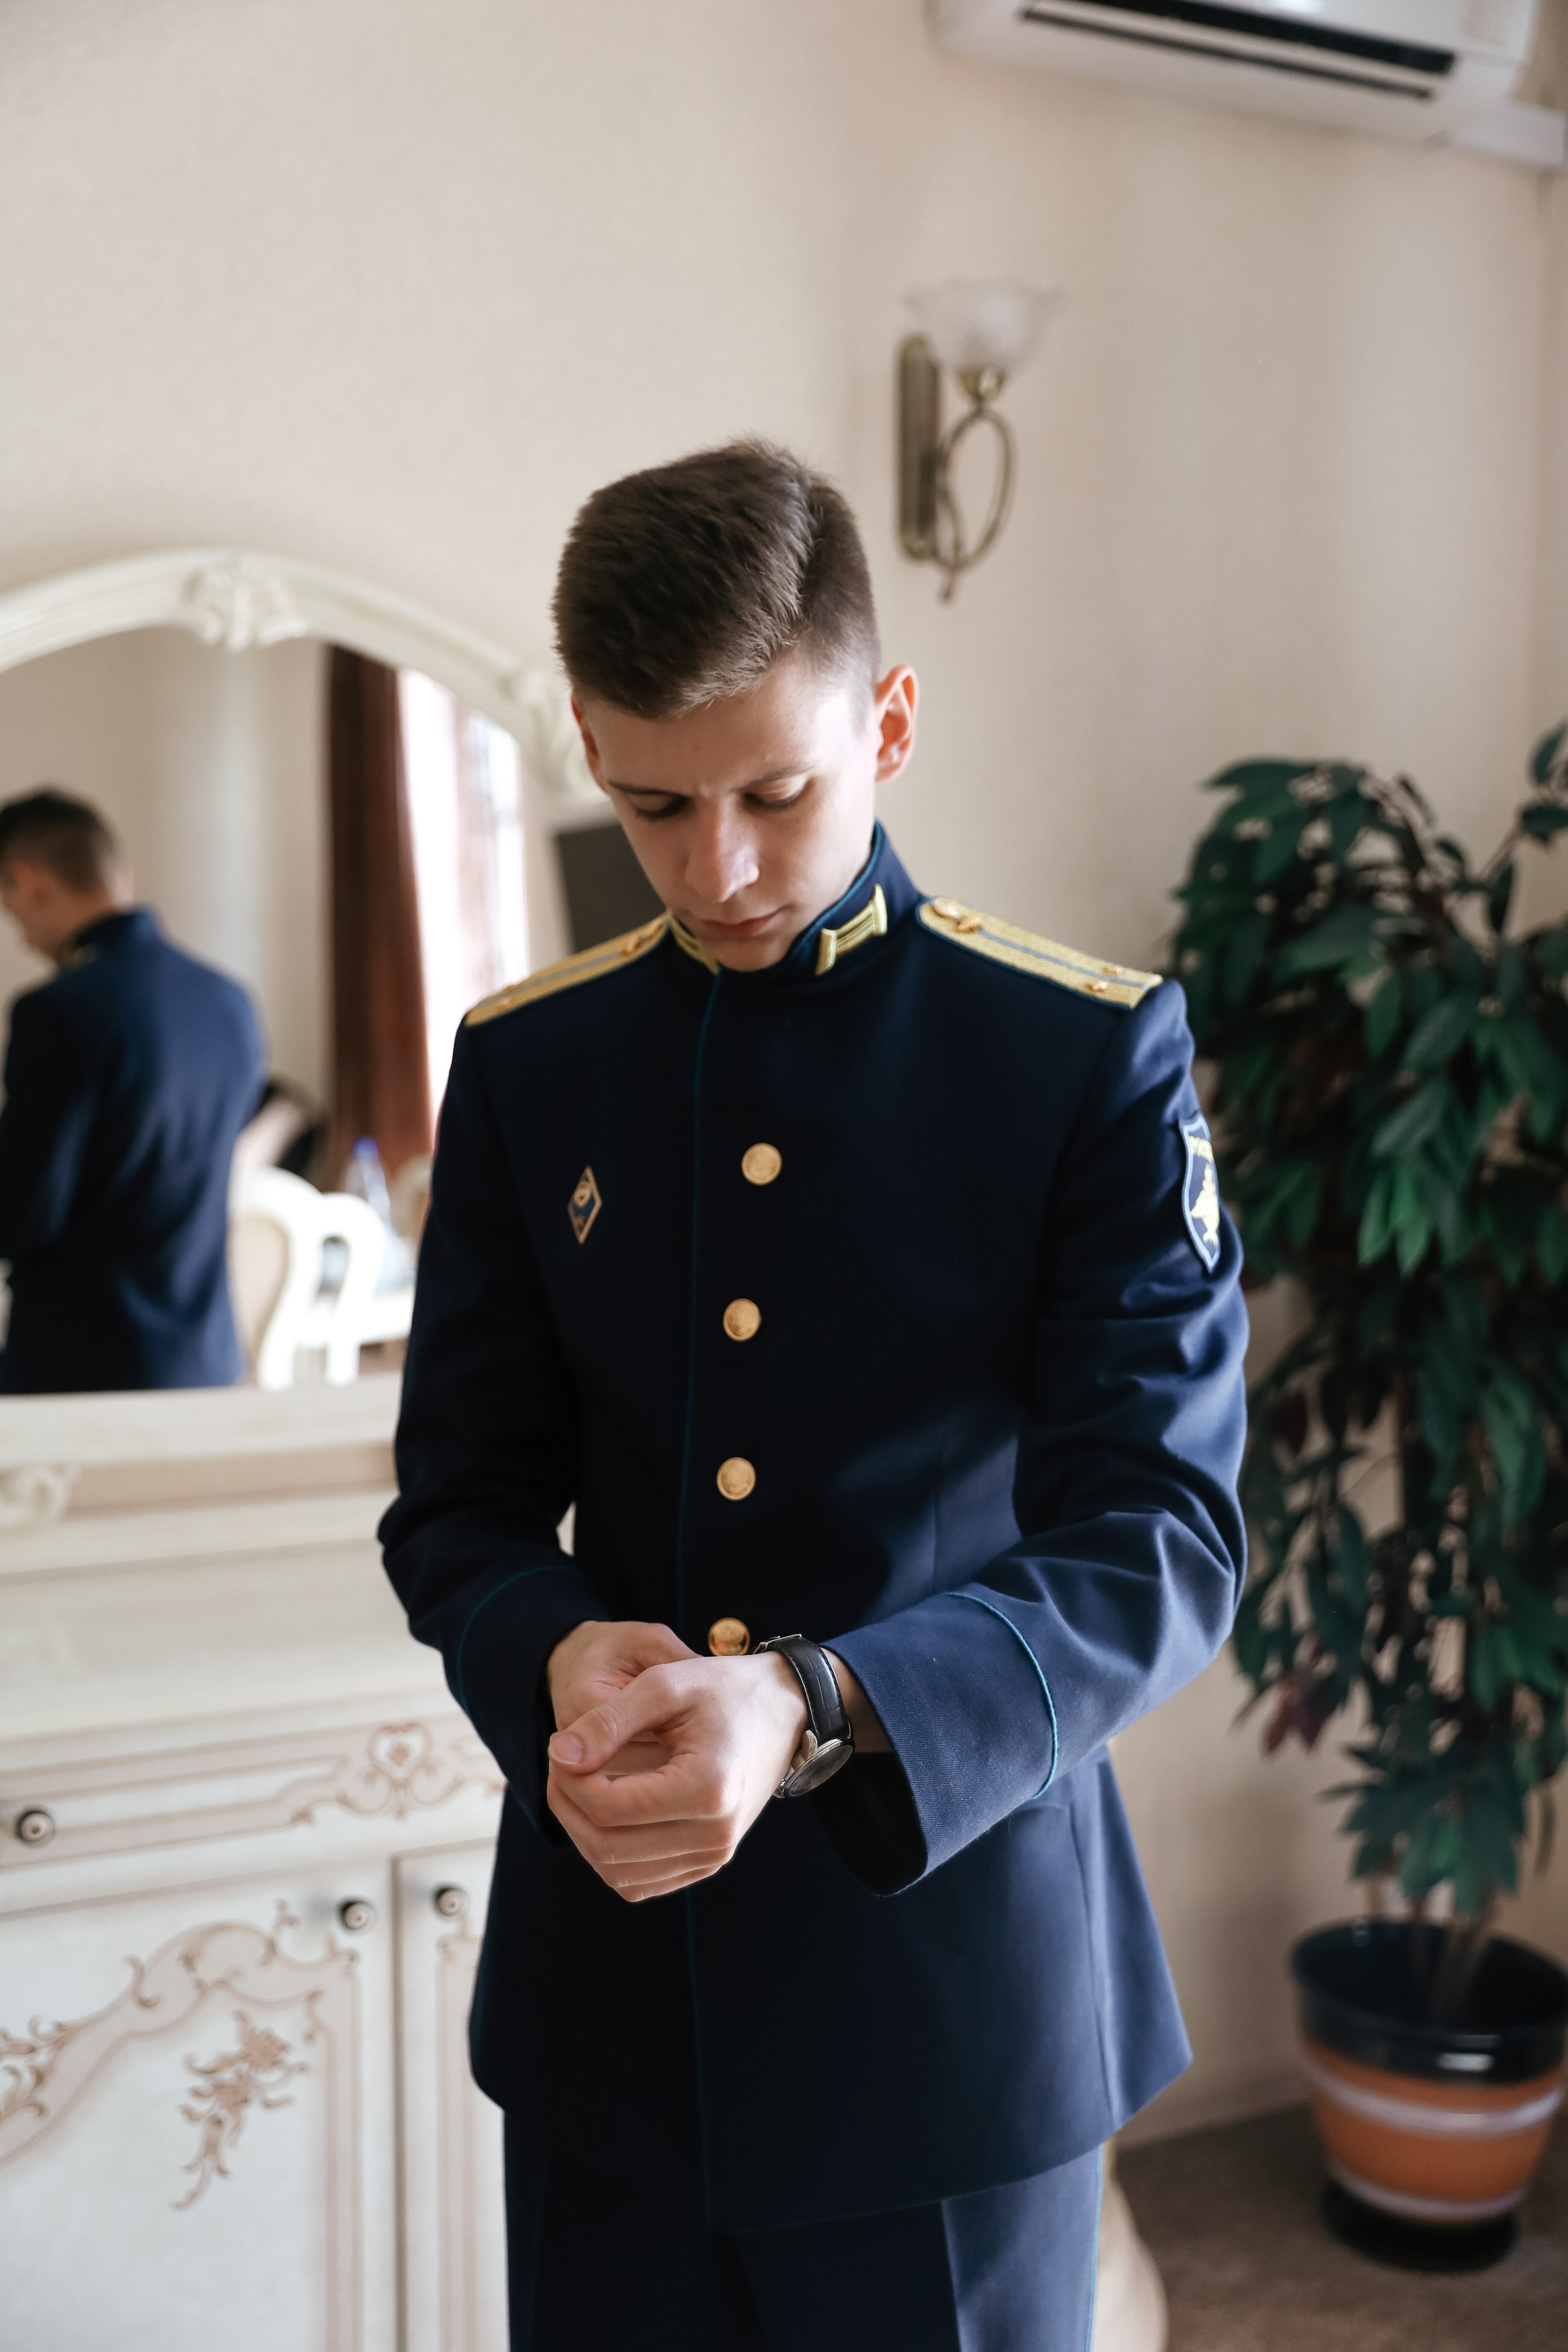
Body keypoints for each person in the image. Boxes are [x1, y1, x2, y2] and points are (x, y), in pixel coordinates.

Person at [380, 442, 1248, 2351]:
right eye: (651, 805)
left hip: (946, 2000)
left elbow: (1163, 1538)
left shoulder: (1081, 1055)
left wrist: (818, 1699)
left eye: (779, 788)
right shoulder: (535, 1066)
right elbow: (455, 1501)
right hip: (611, 2005)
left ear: (893, 716)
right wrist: (546, 1652)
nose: (722, 869)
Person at [0, 788, 265, 1392]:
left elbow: (22, 1214)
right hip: (207, 1358)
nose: (16, 930)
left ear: (30, 880)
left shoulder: (59, 1012)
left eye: (7, 903)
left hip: (83, 1367)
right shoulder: (228, 1001)